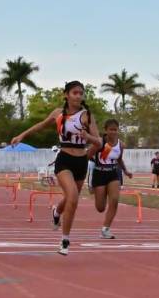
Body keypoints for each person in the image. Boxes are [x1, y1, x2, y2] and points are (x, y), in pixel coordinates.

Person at [11, 81, 102, 256]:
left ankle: (57, 211)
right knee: (73, 197)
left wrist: (88, 136)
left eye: (81, 93)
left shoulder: (87, 116)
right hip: (64, 160)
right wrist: (22, 135)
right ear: (66, 95)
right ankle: (65, 239)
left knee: (70, 198)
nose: (78, 96)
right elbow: (40, 125)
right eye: (75, 92)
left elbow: (98, 142)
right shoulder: (57, 113)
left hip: (81, 161)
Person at [88, 119, 133, 239]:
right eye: (110, 130)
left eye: (115, 130)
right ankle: (97, 193)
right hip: (99, 174)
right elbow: (87, 156)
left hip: (113, 173)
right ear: (106, 130)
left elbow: (119, 159)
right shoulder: (99, 143)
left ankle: (106, 229)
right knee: (100, 207)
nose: (113, 132)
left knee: (114, 200)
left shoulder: (120, 145)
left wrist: (126, 171)